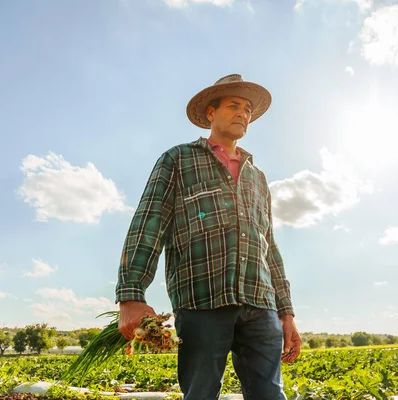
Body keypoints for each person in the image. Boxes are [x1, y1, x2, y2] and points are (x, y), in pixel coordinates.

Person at [115, 74, 301, 400]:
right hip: (203, 302)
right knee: (200, 394)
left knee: (270, 394)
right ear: (211, 113)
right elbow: (148, 224)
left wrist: (286, 312)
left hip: (260, 305)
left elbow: (269, 246)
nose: (243, 113)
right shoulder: (179, 160)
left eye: (247, 109)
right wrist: (131, 295)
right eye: (233, 105)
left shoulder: (257, 177)